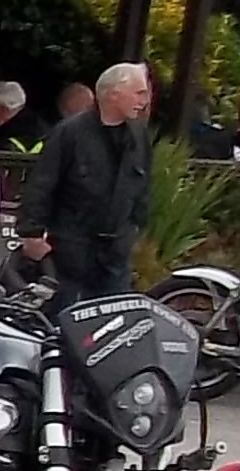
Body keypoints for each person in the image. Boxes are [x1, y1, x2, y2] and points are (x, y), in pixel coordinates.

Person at [19, 59, 155, 298]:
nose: (144, 101)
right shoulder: (69, 133)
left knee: (112, 315)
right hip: (72, 251)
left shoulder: (138, 135)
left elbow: (142, 185)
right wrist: (32, 233)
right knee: (65, 313)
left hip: (115, 255)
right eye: (139, 93)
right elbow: (42, 184)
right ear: (114, 94)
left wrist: (135, 229)